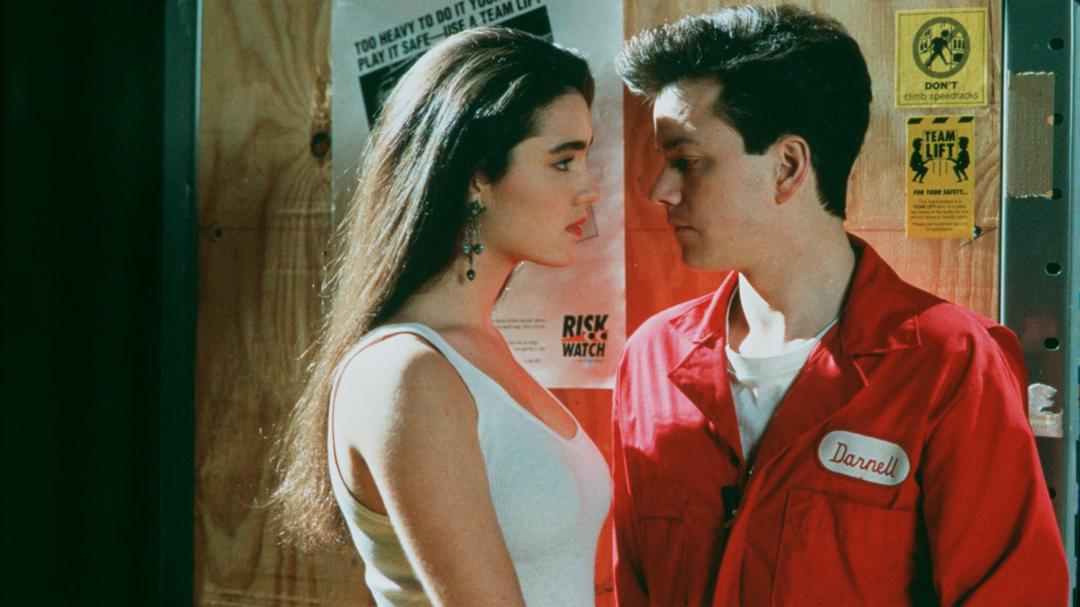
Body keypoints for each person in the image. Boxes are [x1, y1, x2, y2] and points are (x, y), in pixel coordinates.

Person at [611, 6, 1068, 606]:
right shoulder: (651, 359)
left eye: (687, 161)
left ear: (788, 167)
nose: (659, 190)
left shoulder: (950, 363)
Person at [270, 27, 610, 607]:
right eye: (563, 162)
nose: (590, 190)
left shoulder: (477, 349)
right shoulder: (407, 373)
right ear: (477, 176)